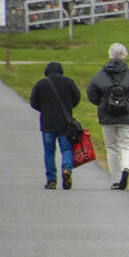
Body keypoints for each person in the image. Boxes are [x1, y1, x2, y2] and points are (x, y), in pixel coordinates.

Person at [87, 43, 129, 191]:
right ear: (124, 56)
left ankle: (116, 179)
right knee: (127, 145)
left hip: (107, 116)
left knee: (111, 147)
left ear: (110, 56)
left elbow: (92, 93)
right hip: (128, 115)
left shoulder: (100, 75)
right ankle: (127, 168)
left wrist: (101, 103)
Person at [29, 61, 81, 190]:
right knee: (66, 149)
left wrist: (44, 109)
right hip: (65, 123)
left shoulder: (41, 84)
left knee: (49, 152)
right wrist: (69, 108)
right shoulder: (69, 82)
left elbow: (34, 102)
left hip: (47, 123)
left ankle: (51, 180)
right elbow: (77, 98)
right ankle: (66, 169)